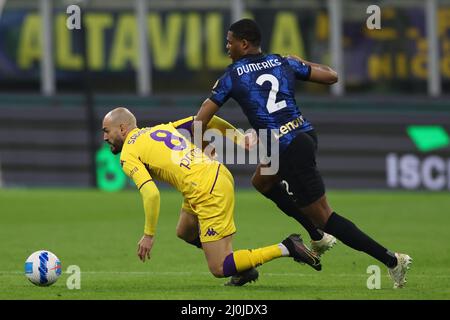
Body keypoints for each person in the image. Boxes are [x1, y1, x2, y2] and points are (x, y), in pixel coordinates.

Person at [193, 18, 412, 288]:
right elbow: (331, 76)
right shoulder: (283, 62)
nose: (227, 47)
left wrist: (202, 147)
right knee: (262, 181)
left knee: (327, 217)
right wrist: (300, 61)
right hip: (304, 135)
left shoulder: (232, 75)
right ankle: (316, 236)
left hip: (287, 148)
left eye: (229, 42)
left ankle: (392, 260)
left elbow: (201, 118)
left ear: (244, 43)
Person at [101, 107, 321, 287]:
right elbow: (207, 119)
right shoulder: (161, 129)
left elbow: (151, 194)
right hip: (210, 176)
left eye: (106, 131)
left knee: (219, 268)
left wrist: (148, 234)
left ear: (122, 128)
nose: (104, 137)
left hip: (206, 189)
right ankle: (243, 269)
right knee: (185, 230)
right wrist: (240, 138)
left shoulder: (128, 154)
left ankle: (287, 247)